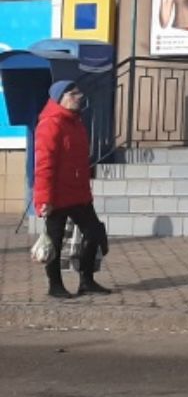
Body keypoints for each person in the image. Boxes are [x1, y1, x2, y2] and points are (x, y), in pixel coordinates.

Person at [34, 81, 110, 299]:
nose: (79, 96)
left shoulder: (76, 122)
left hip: (78, 194)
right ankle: (55, 286)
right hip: (57, 196)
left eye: (79, 92)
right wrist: (44, 200)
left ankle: (87, 281)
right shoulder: (50, 124)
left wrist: (87, 191)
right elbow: (44, 165)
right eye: (74, 93)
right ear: (61, 98)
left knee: (94, 233)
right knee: (54, 241)